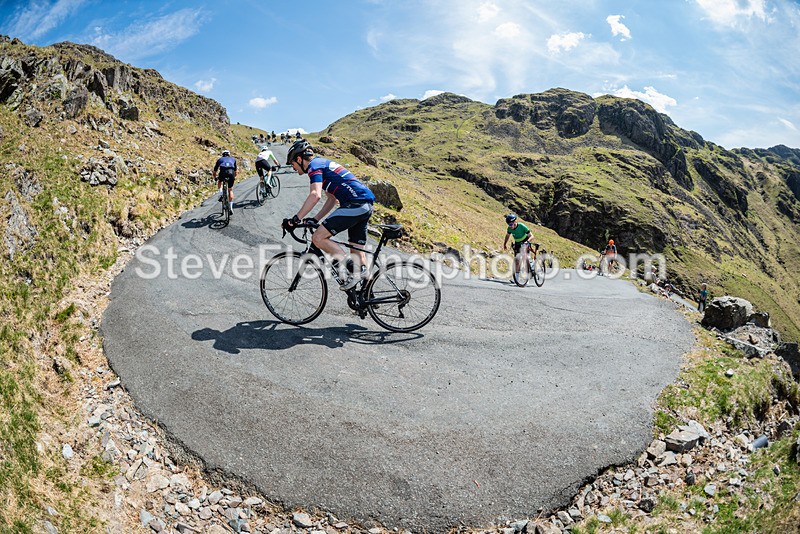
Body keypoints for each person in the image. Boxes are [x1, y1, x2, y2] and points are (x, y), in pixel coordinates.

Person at [285, 139, 375, 291]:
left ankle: (355, 272)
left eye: (292, 163)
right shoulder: (322, 164)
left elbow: (315, 195)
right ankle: (367, 297)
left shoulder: (314, 166)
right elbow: (331, 200)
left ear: (299, 159)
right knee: (357, 254)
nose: (293, 167)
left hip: (355, 204)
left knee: (318, 238)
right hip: (364, 205)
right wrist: (315, 219)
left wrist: (295, 219)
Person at [502, 214, 532, 279]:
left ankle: (527, 277)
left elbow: (531, 236)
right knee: (517, 260)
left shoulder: (522, 226)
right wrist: (505, 244)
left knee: (525, 259)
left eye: (511, 224)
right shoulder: (509, 228)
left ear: (515, 222)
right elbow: (507, 236)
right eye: (508, 225)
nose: (510, 226)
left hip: (525, 241)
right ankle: (516, 278)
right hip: (517, 243)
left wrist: (527, 242)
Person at [213, 149, 237, 215]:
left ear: (222, 155)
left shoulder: (220, 159)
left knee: (219, 181)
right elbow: (236, 172)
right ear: (229, 154)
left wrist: (215, 178)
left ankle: (221, 194)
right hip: (231, 173)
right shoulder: (233, 159)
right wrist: (233, 178)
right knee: (230, 190)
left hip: (223, 173)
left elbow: (214, 171)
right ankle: (231, 207)